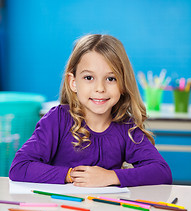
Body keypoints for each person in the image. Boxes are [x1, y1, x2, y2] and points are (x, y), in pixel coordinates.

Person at [9, 34, 172, 187]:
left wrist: (110, 177)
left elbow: (162, 172)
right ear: (73, 82)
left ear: (123, 84)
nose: (100, 88)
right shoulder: (57, 120)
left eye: (111, 79)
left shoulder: (127, 128)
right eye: (88, 78)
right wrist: (71, 175)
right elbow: (20, 167)